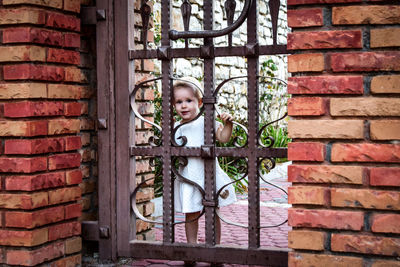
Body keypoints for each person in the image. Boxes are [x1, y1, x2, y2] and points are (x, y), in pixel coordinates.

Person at [172, 77, 237, 251]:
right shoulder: (176, 127)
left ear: (199, 102)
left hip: (207, 175)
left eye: (188, 101)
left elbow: (223, 138)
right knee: (191, 215)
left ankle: (214, 247)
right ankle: (192, 248)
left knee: (213, 212)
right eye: (179, 102)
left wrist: (227, 124)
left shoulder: (206, 122)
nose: (183, 106)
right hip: (188, 177)